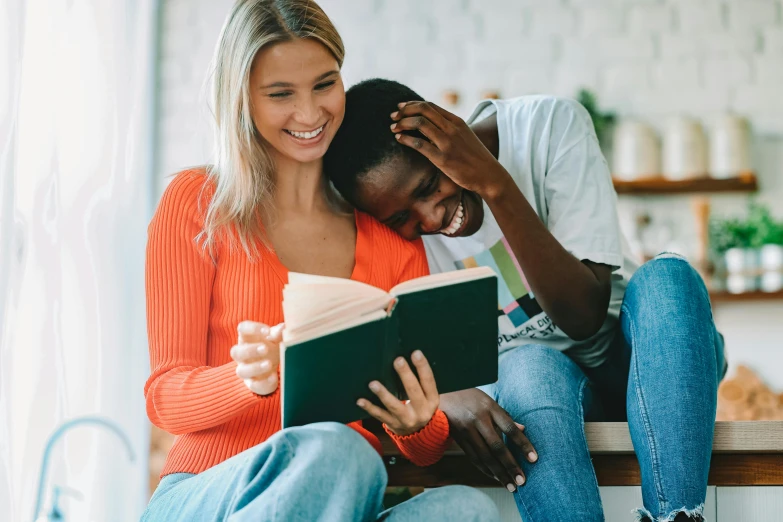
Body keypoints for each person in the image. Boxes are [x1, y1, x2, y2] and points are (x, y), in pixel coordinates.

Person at [142, 3, 499, 521]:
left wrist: (417, 421)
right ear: (242, 98)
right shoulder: (197, 204)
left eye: (324, 84)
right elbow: (164, 398)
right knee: (336, 448)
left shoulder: (391, 236)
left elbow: (424, 449)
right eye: (280, 94)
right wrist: (245, 380)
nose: (309, 114)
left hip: (340, 497)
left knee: (466, 511)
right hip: (211, 492)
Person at [324, 78, 727, 522]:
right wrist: (444, 398)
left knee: (668, 278)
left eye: (428, 186)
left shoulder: (547, 126)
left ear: (445, 135)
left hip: (644, 361)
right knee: (525, 364)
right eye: (402, 217)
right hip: (544, 396)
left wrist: (493, 183)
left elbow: (584, 318)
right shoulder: (386, 237)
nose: (433, 217)